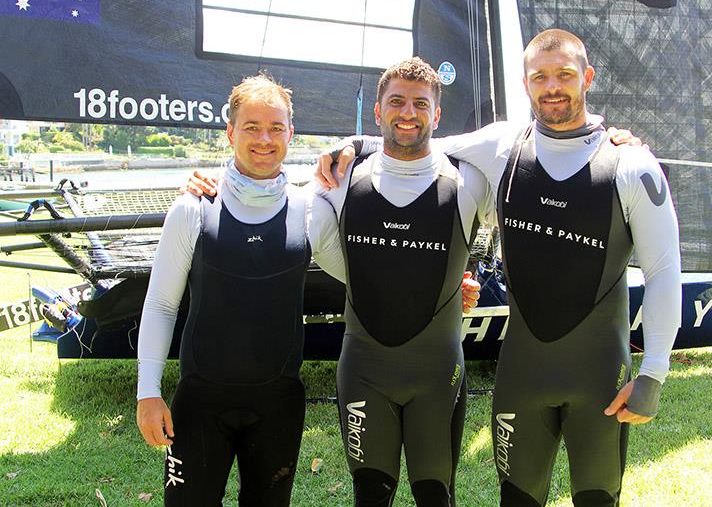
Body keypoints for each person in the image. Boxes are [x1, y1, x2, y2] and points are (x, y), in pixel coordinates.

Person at [319, 29, 681, 507]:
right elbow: (420, 138)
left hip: (599, 378)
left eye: (565, 75)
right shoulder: (503, 145)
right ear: (526, 83)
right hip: (521, 377)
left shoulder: (632, 163)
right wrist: (355, 145)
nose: (552, 86)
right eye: (540, 77)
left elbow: (663, 269)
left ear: (587, 78)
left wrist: (654, 371)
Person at [179, 61, 486, 507]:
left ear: (437, 116)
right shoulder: (337, 181)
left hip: (438, 373)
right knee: (369, 496)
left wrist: (444, 284)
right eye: (396, 101)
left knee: (437, 496)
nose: (408, 112)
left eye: (421, 103)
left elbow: (528, 157)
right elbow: (269, 201)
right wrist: (210, 182)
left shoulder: (469, 180)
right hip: (365, 371)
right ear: (377, 111)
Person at [135, 74, 347, 506]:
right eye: (251, 127)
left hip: (278, 404)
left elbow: (363, 278)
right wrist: (147, 392)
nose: (264, 139)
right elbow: (160, 304)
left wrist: (443, 288)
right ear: (230, 132)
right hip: (200, 403)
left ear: (292, 133)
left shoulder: (310, 209)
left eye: (276, 128)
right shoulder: (192, 207)